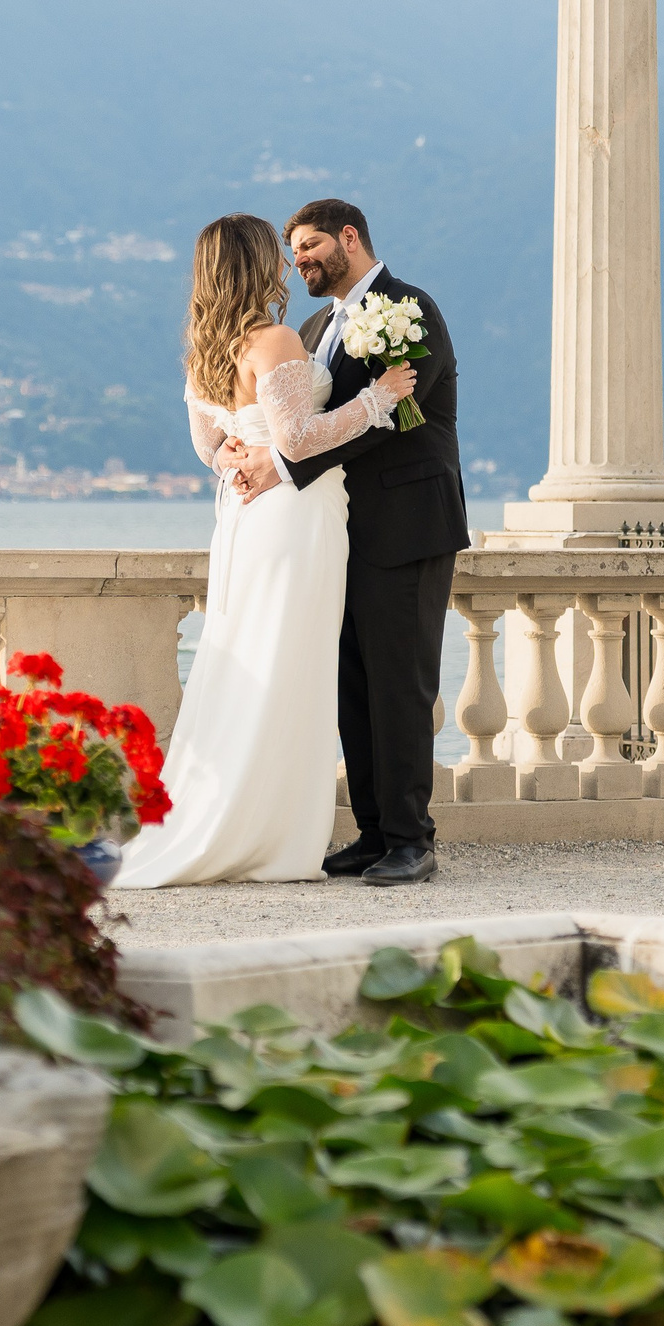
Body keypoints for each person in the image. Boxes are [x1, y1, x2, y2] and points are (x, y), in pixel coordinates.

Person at [108, 213, 412, 889]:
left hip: (243, 523)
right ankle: (273, 836)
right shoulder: (272, 339)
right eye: (274, 254)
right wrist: (379, 399)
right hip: (293, 519)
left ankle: (248, 822)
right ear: (253, 264)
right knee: (292, 666)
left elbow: (206, 448)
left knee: (253, 658)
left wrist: (236, 463)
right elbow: (300, 440)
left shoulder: (205, 351)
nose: (286, 263)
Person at [219, 198, 463, 886]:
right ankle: (373, 830)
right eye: (292, 250)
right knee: (353, 684)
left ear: (348, 237)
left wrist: (284, 464)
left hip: (409, 523)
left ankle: (414, 838)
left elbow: (405, 411)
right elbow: (304, 418)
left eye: (309, 245)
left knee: (402, 684)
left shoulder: (412, 307)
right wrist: (256, 443)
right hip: (340, 530)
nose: (298, 260)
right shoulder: (316, 324)